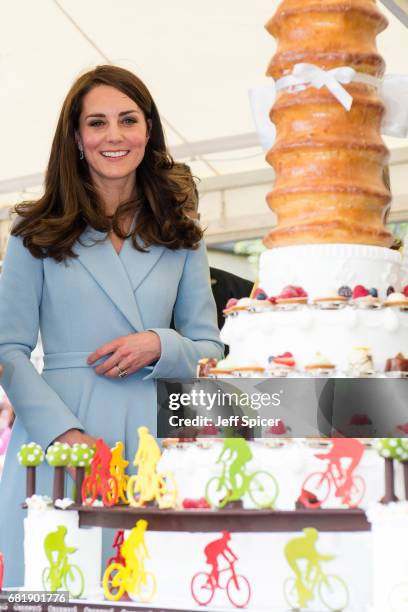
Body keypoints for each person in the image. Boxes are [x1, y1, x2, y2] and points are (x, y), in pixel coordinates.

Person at [0, 65, 223, 587]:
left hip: (155, 438)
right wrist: (64, 433)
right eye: (97, 123)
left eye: (128, 120)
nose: (114, 136)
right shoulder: (33, 231)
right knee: (56, 583)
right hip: (59, 434)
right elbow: (8, 348)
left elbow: (209, 344)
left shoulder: (181, 234)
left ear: (148, 130)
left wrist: (159, 344)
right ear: (76, 138)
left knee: (150, 586)